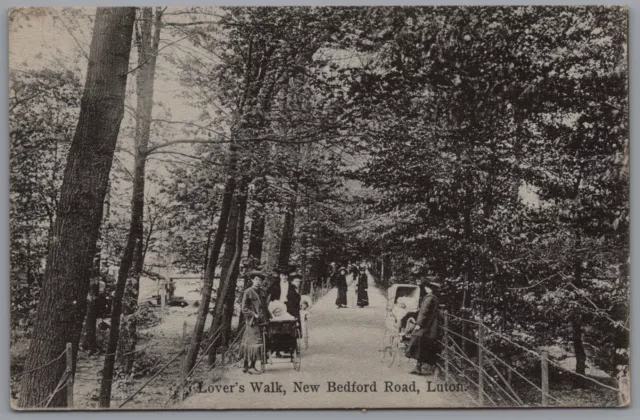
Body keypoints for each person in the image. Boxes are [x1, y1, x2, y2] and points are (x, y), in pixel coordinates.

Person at [405, 280, 441, 375]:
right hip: (431, 326)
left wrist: (418, 324)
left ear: (428, 288)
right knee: (423, 345)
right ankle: (419, 366)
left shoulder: (429, 298)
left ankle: (420, 367)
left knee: (417, 340)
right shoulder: (435, 298)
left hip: (426, 326)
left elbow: (424, 313)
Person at [267, 266, 301, 357]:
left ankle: (290, 348)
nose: (284, 277)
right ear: (280, 276)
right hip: (277, 309)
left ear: (288, 276)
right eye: (282, 275)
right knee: (276, 328)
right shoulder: (275, 285)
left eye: (286, 275)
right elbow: (268, 295)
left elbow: (297, 299)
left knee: (289, 327)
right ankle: (276, 349)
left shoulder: (291, 286)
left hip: (289, 308)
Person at [241, 271, 269, 374]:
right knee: (253, 343)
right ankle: (250, 367)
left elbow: (265, 307)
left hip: (262, 321)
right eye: (256, 279)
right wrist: (253, 314)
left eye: (260, 280)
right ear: (252, 280)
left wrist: (269, 317)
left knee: (253, 343)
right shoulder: (248, 292)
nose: (258, 282)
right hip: (252, 322)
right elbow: (244, 308)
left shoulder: (262, 292)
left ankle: (247, 366)